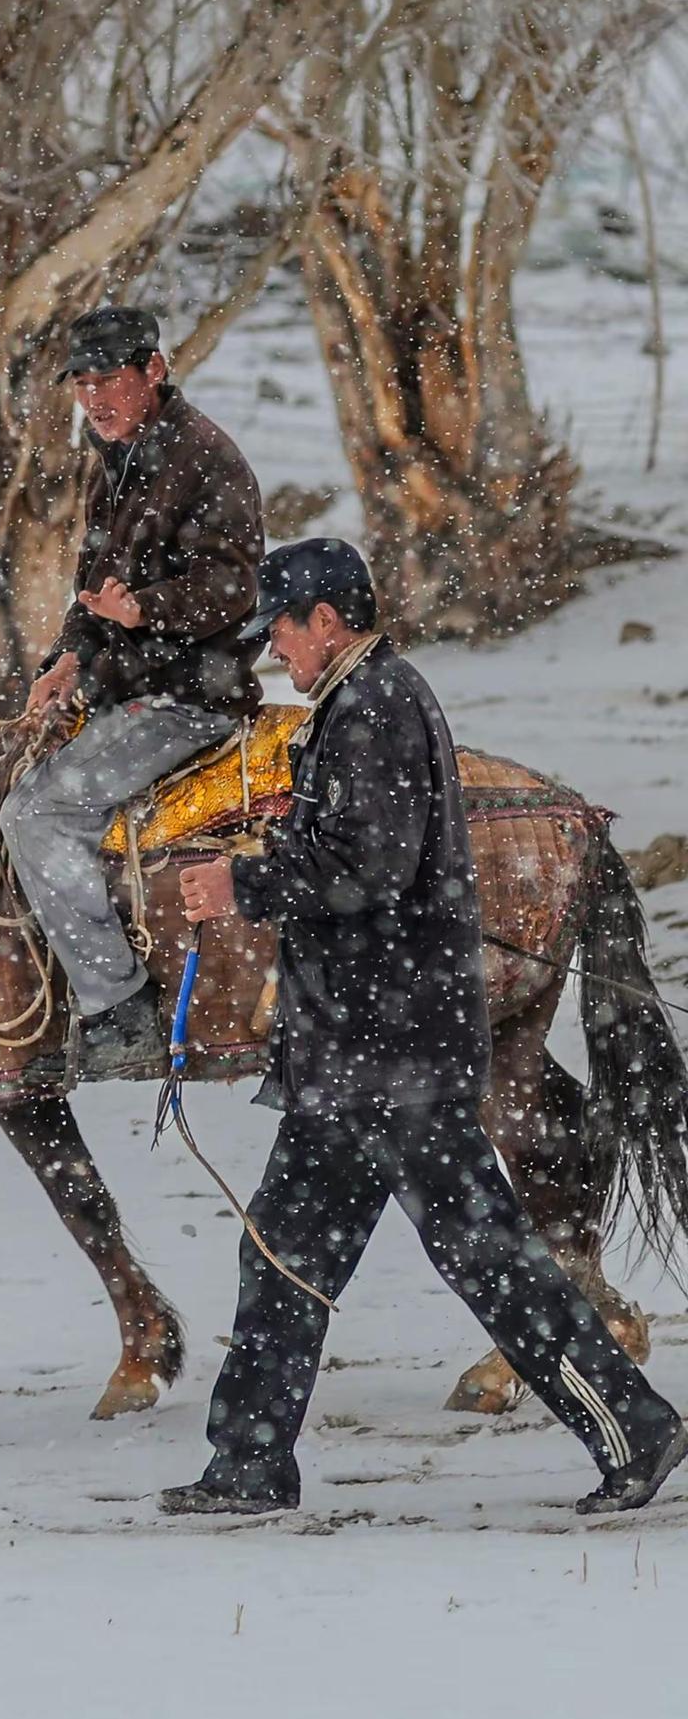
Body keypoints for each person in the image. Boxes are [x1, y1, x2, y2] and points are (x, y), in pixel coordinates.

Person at [162, 536, 687, 1519]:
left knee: (486, 1258)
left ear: (327, 619)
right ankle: (247, 1464)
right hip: (350, 1057)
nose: (274, 647)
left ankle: (635, 1427)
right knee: (280, 1253)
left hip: (392, 1052)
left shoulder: (377, 707)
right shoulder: (353, 706)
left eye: (282, 628)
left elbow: (367, 867)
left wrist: (243, 881)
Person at [0, 305, 265, 1068]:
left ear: (154, 369)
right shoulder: (117, 459)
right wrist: (67, 660)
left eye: (108, 380)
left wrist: (147, 610)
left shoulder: (208, 460)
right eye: (82, 384)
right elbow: (94, 590)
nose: (94, 399)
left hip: (190, 698)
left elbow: (235, 587)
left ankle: (119, 1009)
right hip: (127, 688)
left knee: (37, 814)